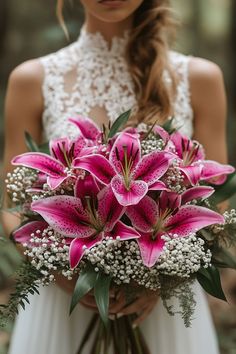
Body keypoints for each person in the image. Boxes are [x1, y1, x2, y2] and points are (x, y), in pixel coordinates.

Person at [2, 0, 228, 353]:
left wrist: (159, 280)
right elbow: (9, 203)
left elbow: (215, 205)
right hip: (62, 305)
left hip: (165, 309)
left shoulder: (200, 78)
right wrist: (64, 273)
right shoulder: (32, 79)